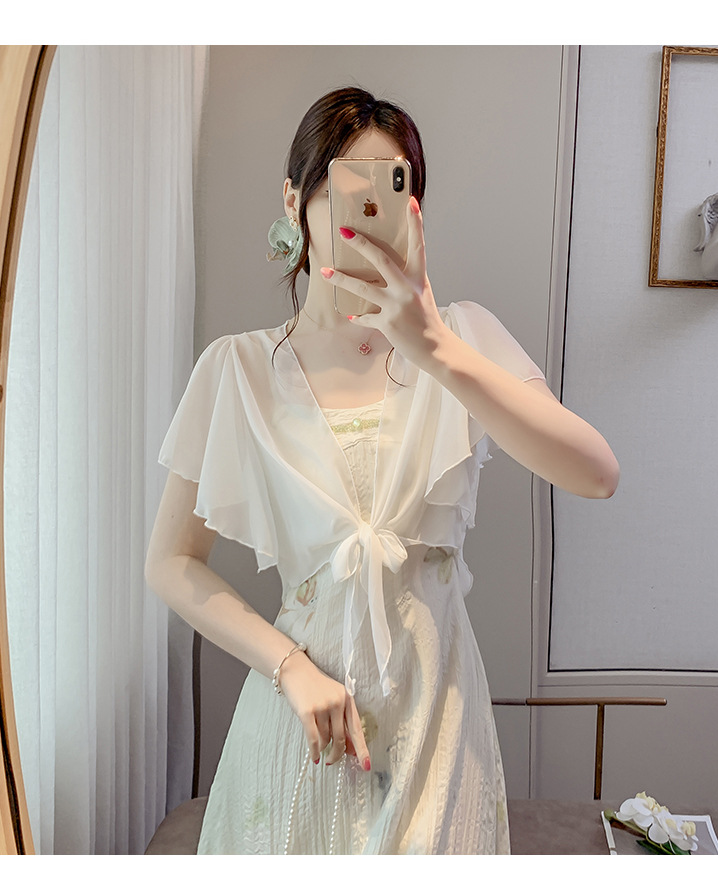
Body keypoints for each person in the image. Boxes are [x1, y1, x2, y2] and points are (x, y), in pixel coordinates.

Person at [145, 86, 619, 855]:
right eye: (347, 185)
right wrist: (288, 666)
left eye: (391, 187)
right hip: (300, 725)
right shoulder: (235, 370)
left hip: (439, 725)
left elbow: (596, 472)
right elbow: (169, 562)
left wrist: (435, 349)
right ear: (295, 201)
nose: (367, 211)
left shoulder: (465, 338)